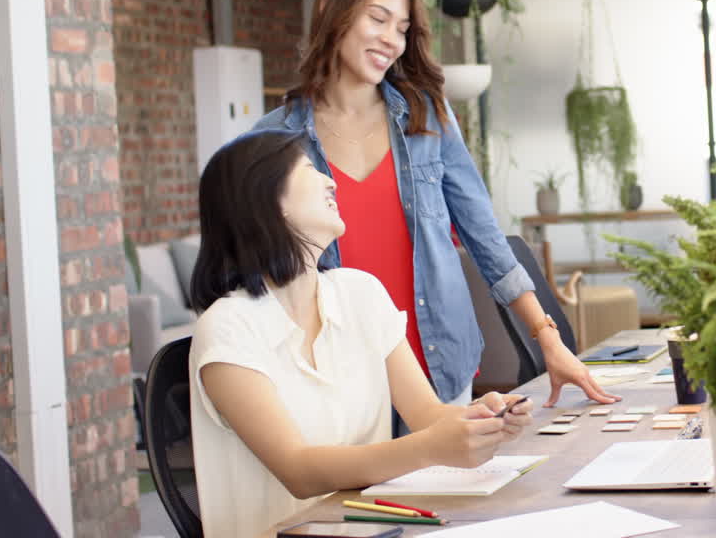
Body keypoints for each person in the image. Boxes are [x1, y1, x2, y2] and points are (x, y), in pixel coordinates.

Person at [253, 0, 617, 409]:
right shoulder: (274, 139)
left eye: (402, 29)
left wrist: (547, 338)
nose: (391, 39)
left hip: (438, 361)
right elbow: (258, 271)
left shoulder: (427, 118)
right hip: (338, 374)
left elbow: (483, 235)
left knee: (443, 483)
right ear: (329, 8)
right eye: (378, 19)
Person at [188, 129, 534, 537]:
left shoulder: (360, 292)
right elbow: (298, 471)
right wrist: (432, 447)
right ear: (266, 200)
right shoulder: (229, 329)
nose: (330, 180)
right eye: (309, 169)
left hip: (369, 529)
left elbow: (426, 415)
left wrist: (478, 419)